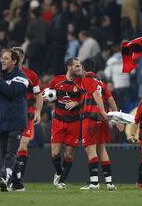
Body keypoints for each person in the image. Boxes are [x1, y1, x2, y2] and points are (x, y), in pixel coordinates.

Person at [0, 49, 28, 192]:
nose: (2, 60)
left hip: (16, 120)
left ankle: (4, 177)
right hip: (2, 119)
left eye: (6, 58)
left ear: (14, 61)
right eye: (1, 58)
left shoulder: (22, 77)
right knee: (6, 154)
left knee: (10, 152)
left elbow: (11, 92)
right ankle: (17, 184)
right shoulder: (0, 75)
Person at [79, 59, 123, 190]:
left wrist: (102, 110)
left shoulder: (86, 79)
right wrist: (117, 119)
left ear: (83, 68)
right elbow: (111, 99)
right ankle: (109, 183)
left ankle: (94, 183)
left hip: (91, 119)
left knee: (91, 150)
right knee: (102, 150)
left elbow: (95, 93)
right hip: (102, 121)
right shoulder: (101, 82)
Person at [48, 57, 83, 189]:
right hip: (58, 121)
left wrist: (76, 103)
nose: (79, 68)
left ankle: (61, 181)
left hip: (74, 122)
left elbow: (85, 99)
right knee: (55, 153)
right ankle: (58, 172)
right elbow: (48, 96)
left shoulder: (81, 83)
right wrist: (48, 99)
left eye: (80, 66)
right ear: (69, 67)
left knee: (69, 153)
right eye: (77, 66)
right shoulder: (56, 81)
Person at [11, 47, 43, 183]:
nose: (14, 59)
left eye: (17, 56)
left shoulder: (31, 75)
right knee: (11, 147)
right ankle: (10, 174)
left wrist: (38, 111)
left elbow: (39, 94)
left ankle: (18, 177)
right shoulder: (4, 74)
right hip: (10, 115)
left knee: (23, 145)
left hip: (27, 114)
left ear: (22, 58)